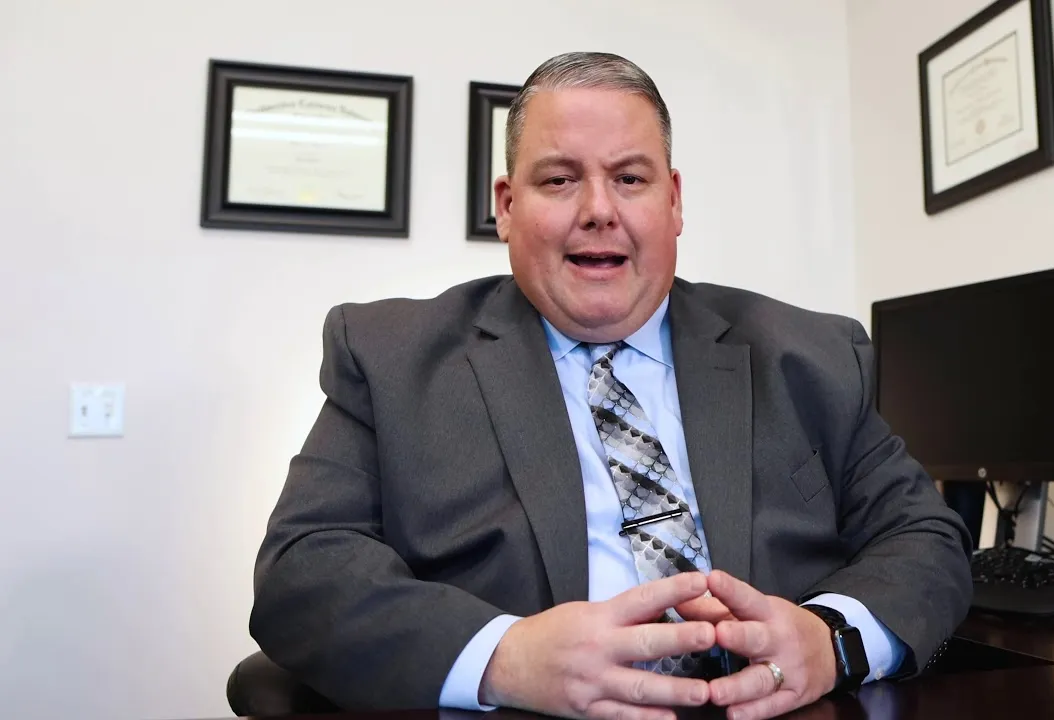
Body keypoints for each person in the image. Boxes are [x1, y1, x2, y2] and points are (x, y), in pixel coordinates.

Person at [249, 51, 972, 720]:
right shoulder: (390, 358)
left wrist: (833, 639)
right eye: (559, 179)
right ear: (506, 205)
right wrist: (504, 658)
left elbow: (924, 537)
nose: (599, 209)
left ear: (674, 200)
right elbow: (303, 571)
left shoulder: (811, 354)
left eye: (630, 178)